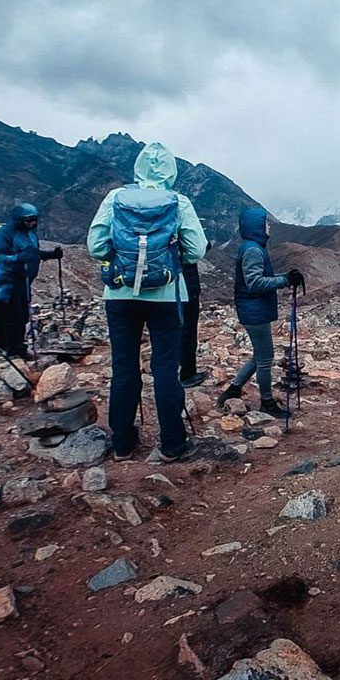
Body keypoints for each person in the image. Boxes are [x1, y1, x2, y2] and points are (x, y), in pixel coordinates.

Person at [87, 142, 208, 461]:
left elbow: (96, 246)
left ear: (138, 168)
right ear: (171, 171)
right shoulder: (178, 202)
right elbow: (197, 250)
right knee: (166, 368)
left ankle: (123, 442)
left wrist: (121, 256)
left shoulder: (115, 198)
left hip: (120, 294)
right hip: (167, 296)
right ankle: (172, 442)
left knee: (124, 366)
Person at [219, 206, 305, 417]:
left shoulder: (252, 247)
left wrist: (285, 275)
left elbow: (257, 277)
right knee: (265, 358)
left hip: (252, 309)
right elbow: (255, 282)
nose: (269, 226)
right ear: (256, 226)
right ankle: (266, 402)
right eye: (265, 223)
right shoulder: (254, 250)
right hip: (254, 310)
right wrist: (285, 280)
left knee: (259, 355)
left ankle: (234, 389)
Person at [0, 203, 61, 358]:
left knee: (20, 314)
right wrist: (17, 258)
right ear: (18, 219)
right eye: (28, 220)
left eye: (34, 220)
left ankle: (1, 345)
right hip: (8, 280)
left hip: (24, 280)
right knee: (13, 315)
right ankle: (13, 349)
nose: (31, 223)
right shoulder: (7, 233)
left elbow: (33, 253)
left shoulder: (31, 234)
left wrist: (51, 255)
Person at [178, 261, 207, 387]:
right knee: (188, 331)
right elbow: (199, 249)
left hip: (160, 285)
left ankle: (163, 370)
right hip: (186, 283)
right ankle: (187, 374)